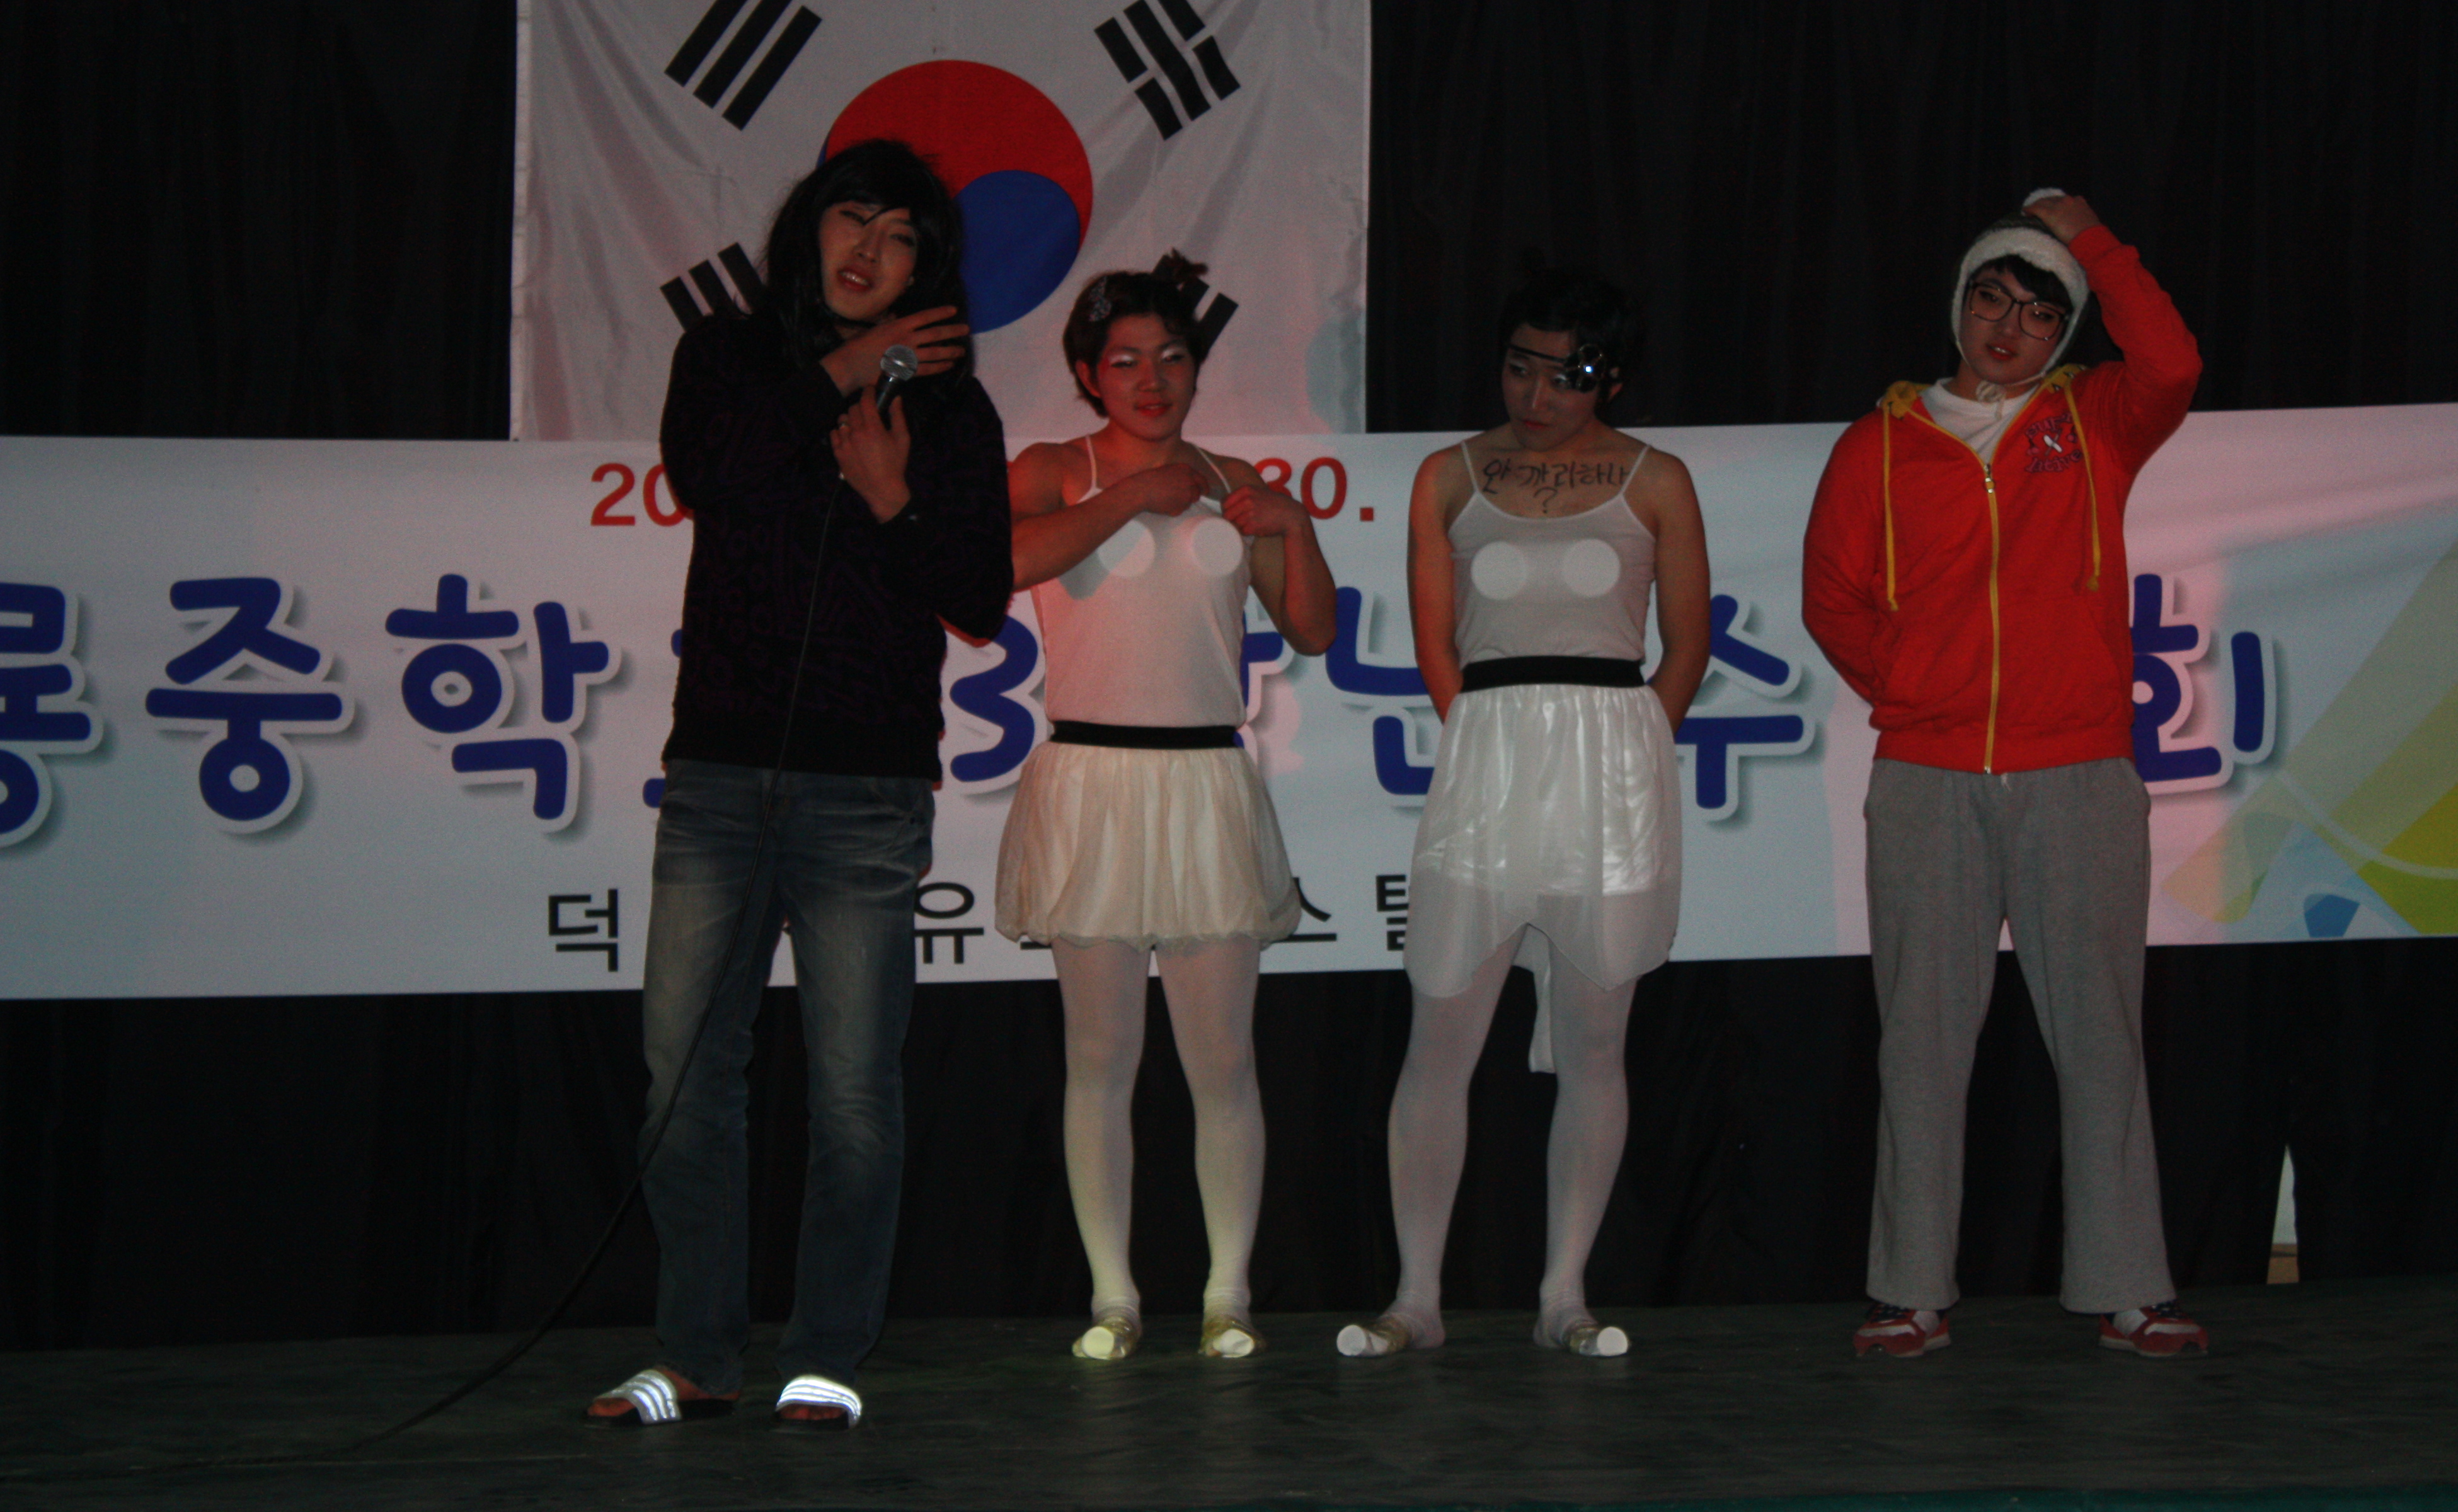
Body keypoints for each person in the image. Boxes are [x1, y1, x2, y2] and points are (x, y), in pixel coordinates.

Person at [585, 139, 1012, 1429]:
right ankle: (697, 1353)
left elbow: (978, 595)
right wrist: (842, 371)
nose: (868, 248)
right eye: (849, 218)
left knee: (854, 1093)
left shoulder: (956, 412)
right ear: (808, 228)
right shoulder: (727, 356)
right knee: (684, 1078)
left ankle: (827, 1352)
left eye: (898, 234)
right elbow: (709, 473)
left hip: (866, 790)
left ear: (927, 266)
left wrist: (891, 498)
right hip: (719, 773)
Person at [1801, 190, 2208, 1360]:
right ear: (1959, 305)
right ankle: (1909, 1291)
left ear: (2064, 333)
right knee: (1921, 1041)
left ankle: (2129, 1288)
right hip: (1927, 777)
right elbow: (1833, 597)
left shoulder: (2096, 420)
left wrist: (2088, 237)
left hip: (2079, 768)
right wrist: (1916, 686)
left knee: (2100, 1035)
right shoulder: (1878, 443)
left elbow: (2174, 361)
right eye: (1992, 299)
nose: (2008, 328)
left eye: (2039, 313)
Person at [1340, 269, 1710, 1360]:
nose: (1537, 395)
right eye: (1519, 367)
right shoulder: (1448, 475)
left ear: (1610, 379)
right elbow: (1435, 644)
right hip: (1489, 756)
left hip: (1610, 764)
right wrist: (1481, 741)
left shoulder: (1658, 478)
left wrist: (1635, 747)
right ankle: (1416, 1298)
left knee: (1596, 1041)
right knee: (1440, 1032)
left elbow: (1686, 644)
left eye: (1566, 375)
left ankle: (1564, 1295)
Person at [995, 252, 1337, 1362]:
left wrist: (1293, 525)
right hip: (1092, 779)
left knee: (1222, 1060)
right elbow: (994, 565)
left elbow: (1314, 628)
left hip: (1202, 781)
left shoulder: (1232, 478)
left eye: (1173, 357)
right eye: (1127, 361)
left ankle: (1228, 1294)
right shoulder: (1057, 467)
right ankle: (1114, 1298)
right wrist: (1128, 497)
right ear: (1089, 375)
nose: (1152, 380)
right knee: (1101, 1057)